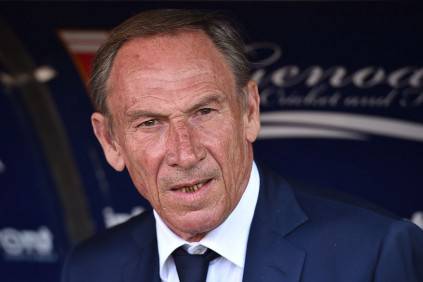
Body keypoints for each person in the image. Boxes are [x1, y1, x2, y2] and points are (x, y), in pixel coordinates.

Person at [62, 9, 423, 282]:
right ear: (110, 141)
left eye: (203, 111)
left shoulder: (373, 254)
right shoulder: (91, 268)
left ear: (249, 111)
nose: (184, 153)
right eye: (150, 123)